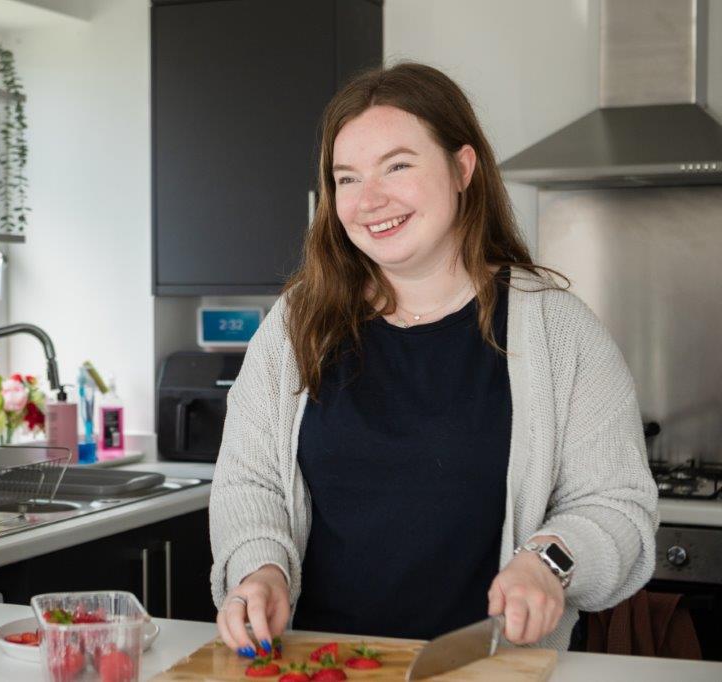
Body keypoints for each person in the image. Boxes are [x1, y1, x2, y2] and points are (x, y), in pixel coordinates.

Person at [208, 62, 658, 655]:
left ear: (462, 168)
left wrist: (546, 562)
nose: (370, 200)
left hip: (488, 667)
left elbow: (615, 504)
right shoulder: (297, 324)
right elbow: (250, 480)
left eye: (397, 166)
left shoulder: (558, 328)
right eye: (347, 178)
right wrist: (259, 568)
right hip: (323, 665)